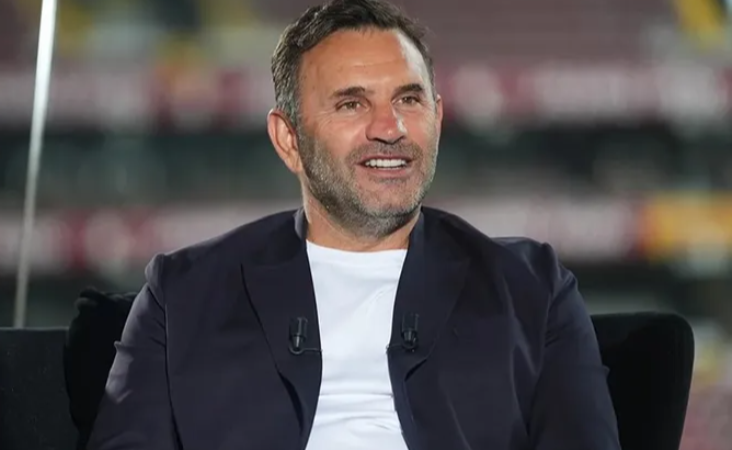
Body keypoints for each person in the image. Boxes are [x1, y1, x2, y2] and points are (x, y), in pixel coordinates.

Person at [86, 0, 622, 449]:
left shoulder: (531, 289)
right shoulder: (183, 295)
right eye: (351, 104)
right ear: (289, 140)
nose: (390, 128)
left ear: (437, 117)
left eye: (408, 99)